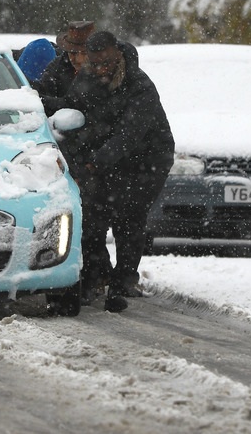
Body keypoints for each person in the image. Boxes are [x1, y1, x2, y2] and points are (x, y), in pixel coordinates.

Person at [60, 31, 175, 313]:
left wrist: (93, 164)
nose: (100, 69)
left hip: (147, 159)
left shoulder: (140, 85)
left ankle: (125, 278)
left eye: (106, 63)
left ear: (117, 56)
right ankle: (98, 274)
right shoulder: (87, 78)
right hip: (105, 159)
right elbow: (73, 112)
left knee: (129, 217)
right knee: (92, 216)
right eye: (94, 63)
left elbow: (128, 135)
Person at [31, 21, 94, 114]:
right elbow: (45, 88)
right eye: (72, 53)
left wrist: (39, 98)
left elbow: (73, 104)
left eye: (84, 53)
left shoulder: (103, 71)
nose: (78, 59)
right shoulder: (58, 65)